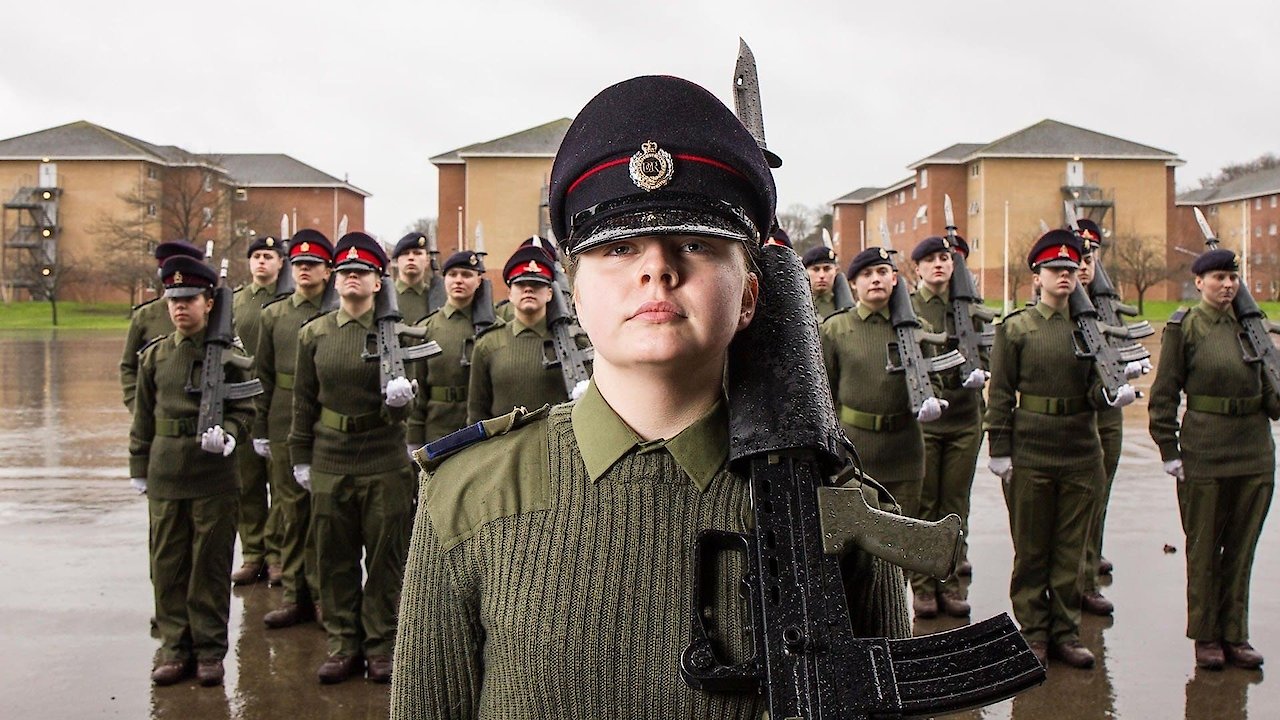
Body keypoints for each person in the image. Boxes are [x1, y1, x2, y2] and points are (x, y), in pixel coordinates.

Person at [391, 74, 909, 718]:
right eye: (618, 248)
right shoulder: (468, 497)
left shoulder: (837, 508)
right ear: (574, 295)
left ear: (749, 296)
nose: (656, 269)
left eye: (695, 244)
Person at [985, 229, 1134, 670]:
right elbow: (1001, 394)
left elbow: (1095, 391)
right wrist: (1000, 447)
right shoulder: (1016, 329)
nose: (1064, 277)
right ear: (1038, 276)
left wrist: (1111, 392)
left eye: (1070, 270)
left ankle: (1066, 632)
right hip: (1031, 450)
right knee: (1032, 550)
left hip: (1080, 449)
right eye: (1055, 270)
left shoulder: (1090, 330)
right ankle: (1032, 633)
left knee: (1072, 550)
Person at [289, 231, 417, 684]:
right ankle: (343, 643)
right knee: (334, 558)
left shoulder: (400, 336)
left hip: (383, 458)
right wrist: (299, 456)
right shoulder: (314, 334)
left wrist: (401, 404)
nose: (351, 280)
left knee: (385, 559)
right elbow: (303, 400)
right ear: (335, 280)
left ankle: (381, 645)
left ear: (379, 282)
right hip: (330, 458)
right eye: (345, 273)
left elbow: (410, 409)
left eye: (361, 273)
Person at [1148, 247, 1278, 671]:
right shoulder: (1186, 327)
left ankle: (1235, 634)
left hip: (1254, 451)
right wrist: (1169, 449)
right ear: (1199, 281)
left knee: (1241, 549)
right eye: (1219, 277)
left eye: (1232, 278)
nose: (1227, 285)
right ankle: (1206, 636)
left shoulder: (1253, 327)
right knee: (1204, 549)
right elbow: (1164, 394)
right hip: (1205, 449)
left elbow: (1273, 402)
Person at [129, 255, 253, 687]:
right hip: (166, 473)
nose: (180, 307)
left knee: (210, 565)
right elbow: (143, 417)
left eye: (190, 299)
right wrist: (138, 466)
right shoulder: (155, 357)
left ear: (208, 302)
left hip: (213, 477)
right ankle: (173, 645)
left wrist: (232, 434)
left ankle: (208, 650)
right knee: (167, 565)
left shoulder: (230, 357)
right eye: (173, 300)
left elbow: (246, 408)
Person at [821, 247, 945, 528]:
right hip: (855, 454)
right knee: (858, 545)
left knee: (906, 540)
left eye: (882, 272)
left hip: (906, 452)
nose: (875, 279)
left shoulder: (916, 329)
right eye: (866, 274)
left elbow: (934, 381)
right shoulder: (836, 329)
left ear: (894, 279)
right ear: (853, 283)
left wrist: (932, 399)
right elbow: (824, 394)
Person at [253, 230, 333, 629]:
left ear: (326, 269)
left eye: (312, 265)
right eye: (299, 265)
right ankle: (293, 594)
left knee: (323, 514)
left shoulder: (340, 309)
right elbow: (262, 376)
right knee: (290, 510)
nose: (304, 271)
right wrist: (260, 426)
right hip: (285, 418)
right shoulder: (275, 314)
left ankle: (321, 596)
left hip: (326, 418)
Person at [908, 235, 986, 619]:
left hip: (964, 419)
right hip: (926, 423)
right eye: (930, 260)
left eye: (944, 258)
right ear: (917, 268)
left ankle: (949, 583)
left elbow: (988, 348)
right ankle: (923, 587)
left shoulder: (968, 306)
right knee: (925, 506)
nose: (939, 264)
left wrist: (983, 368)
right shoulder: (907, 307)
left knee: (955, 506)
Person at [230, 234, 285, 586]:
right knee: (246, 483)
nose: (262, 262)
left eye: (269, 256)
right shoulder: (233, 302)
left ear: (281, 262)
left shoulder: (289, 301)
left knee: (280, 485)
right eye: (256, 256)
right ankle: (253, 554)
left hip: (277, 402)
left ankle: (278, 554)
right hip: (243, 403)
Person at [464, 243, 570, 423]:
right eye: (521, 284)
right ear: (510, 294)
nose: (529, 289)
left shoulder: (573, 343)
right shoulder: (487, 344)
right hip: (504, 448)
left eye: (537, 284)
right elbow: (477, 413)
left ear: (550, 293)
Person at [1073, 222, 1119, 617]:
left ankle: (1091, 559)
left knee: (1099, 496)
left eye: (1090, 258)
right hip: (1073, 419)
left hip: (1107, 413)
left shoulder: (1108, 300)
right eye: (1078, 259)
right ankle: (1079, 577)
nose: (1084, 267)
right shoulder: (1062, 303)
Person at [407, 250, 485, 446]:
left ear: (479, 281)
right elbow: (418, 390)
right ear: (444, 280)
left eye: (467, 275)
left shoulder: (493, 328)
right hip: (437, 427)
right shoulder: (426, 328)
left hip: (482, 428)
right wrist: (414, 437)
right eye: (452, 274)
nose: (459, 280)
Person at [119, 240, 206, 411]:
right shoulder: (145, 316)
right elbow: (129, 366)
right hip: (159, 415)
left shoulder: (213, 313)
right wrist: (136, 405)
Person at [392, 231, 433, 324]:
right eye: (405, 253)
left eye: (417, 253)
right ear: (397, 261)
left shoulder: (436, 296)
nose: (411, 257)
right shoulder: (385, 296)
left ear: (427, 260)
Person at [803, 244, 841, 319]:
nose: (822, 275)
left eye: (827, 269)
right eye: (816, 269)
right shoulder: (798, 304)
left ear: (836, 271)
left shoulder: (843, 304)